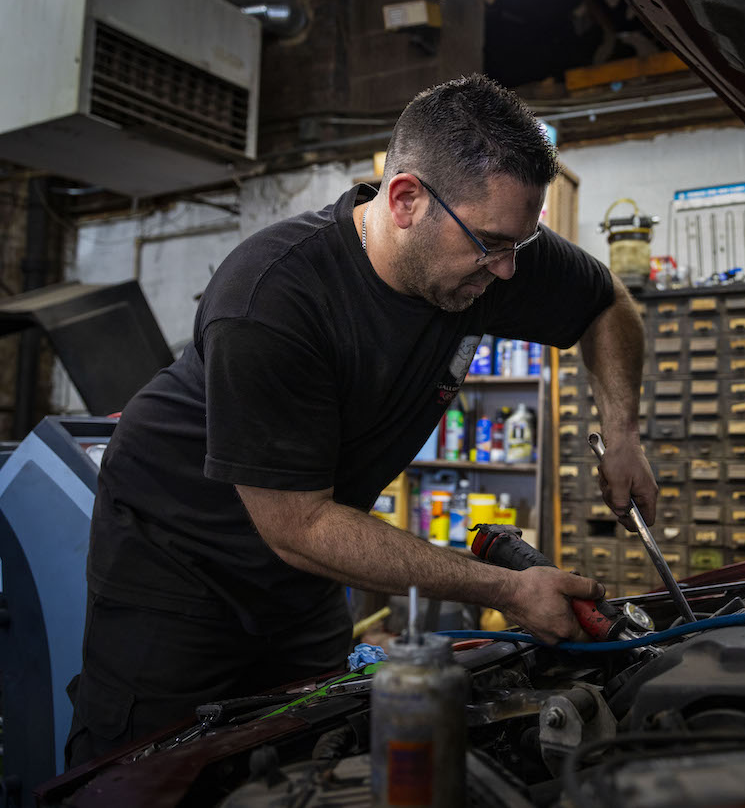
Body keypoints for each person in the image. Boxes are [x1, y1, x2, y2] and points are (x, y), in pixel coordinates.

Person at [65, 74, 657, 767]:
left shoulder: (493, 256)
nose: (505, 272)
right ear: (405, 199)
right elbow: (300, 526)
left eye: (517, 248)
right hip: (179, 555)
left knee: (314, 747)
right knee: (147, 768)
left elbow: (606, 302)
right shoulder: (273, 298)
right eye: (490, 244)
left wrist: (622, 434)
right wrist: (507, 588)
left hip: (303, 563)